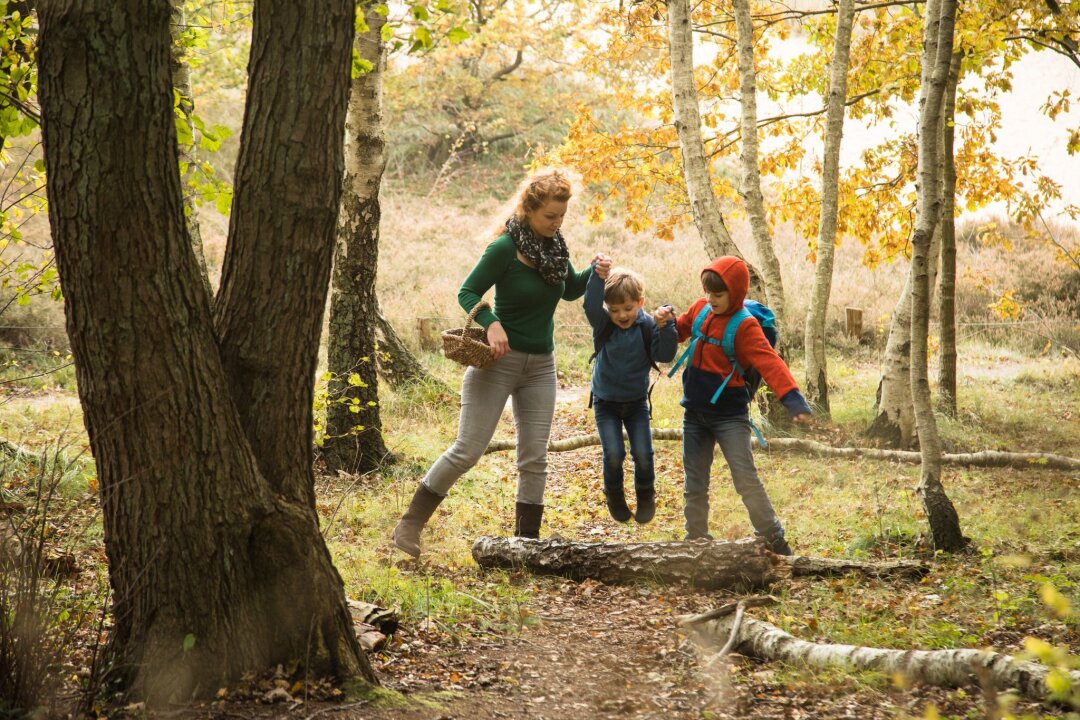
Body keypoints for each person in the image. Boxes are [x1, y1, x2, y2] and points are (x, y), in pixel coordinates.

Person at [392, 169, 610, 558]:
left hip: (542, 365)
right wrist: (490, 324)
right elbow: (468, 291)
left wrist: (594, 274)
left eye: (562, 216)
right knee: (468, 450)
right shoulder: (504, 248)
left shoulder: (556, 246)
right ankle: (409, 524)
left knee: (534, 456)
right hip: (497, 363)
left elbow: (570, 289)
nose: (557, 223)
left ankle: (526, 545)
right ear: (529, 210)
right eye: (550, 217)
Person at [671, 256, 811, 554]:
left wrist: (793, 400)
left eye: (718, 294)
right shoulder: (700, 309)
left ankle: (774, 539)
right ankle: (695, 539)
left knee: (745, 479)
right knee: (695, 481)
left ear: (735, 293)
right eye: (708, 292)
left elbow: (769, 362)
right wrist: (661, 323)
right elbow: (680, 329)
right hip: (694, 414)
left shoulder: (745, 326)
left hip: (729, 418)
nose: (711, 300)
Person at [584, 267, 677, 524]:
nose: (621, 315)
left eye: (627, 308)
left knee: (644, 454)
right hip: (606, 403)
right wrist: (597, 276)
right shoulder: (603, 323)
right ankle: (614, 495)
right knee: (614, 453)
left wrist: (666, 324)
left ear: (640, 302)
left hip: (636, 403)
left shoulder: (648, 325)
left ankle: (646, 495)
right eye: (614, 310)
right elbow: (590, 304)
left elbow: (666, 355)